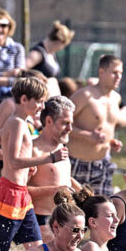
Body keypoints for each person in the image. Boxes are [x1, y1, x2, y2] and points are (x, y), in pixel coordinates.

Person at [0, 76, 54, 251]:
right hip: (8, 195)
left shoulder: (17, 123)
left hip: (21, 195)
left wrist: (20, 162)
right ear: (24, 100)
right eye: (39, 101)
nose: (43, 107)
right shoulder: (15, 123)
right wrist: (48, 158)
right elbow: (14, 161)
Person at [68, 55, 126, 196]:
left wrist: (112, 142)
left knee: (102, 210)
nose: (118, 76)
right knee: (72, 212)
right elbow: (58, 125)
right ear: (101, 72)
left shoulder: (116, 98)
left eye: (120, 73)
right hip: (77, 163)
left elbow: (108, 128)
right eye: (114, 72)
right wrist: (86, 136)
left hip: (102, 164)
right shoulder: (84, 95)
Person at [28, 96, 76, 225]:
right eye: (65, 123)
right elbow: (18, 190)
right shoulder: (33, 150)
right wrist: (55, 190)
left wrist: (82, 191)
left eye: (71, 123)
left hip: (64, 219)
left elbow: (62, 178)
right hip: (41, 220)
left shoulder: (62, 147)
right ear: (49, 121)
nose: (70, 128)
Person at [27, 20, 75, 98]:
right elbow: (22, 72)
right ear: (59, 41)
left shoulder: (51, 54)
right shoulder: (37, 54)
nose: (61, 48)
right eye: (63, 45)